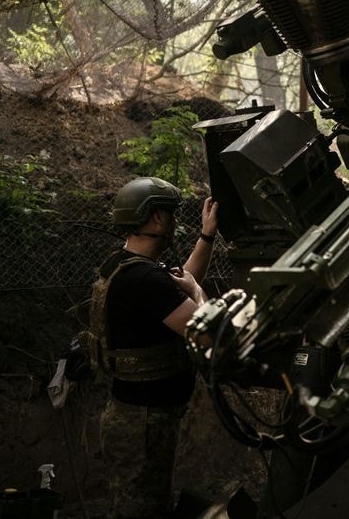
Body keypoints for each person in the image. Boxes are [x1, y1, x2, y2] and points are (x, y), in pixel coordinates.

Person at [88, 176, 218, 518]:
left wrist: (207, 236)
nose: (176, 223)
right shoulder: (145, 280)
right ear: (157, 218)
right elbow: (206, 333)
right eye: (171, 215)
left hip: (132, 415)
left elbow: (176, 287)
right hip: (144, 424)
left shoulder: (124, 266)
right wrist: (196, 293)